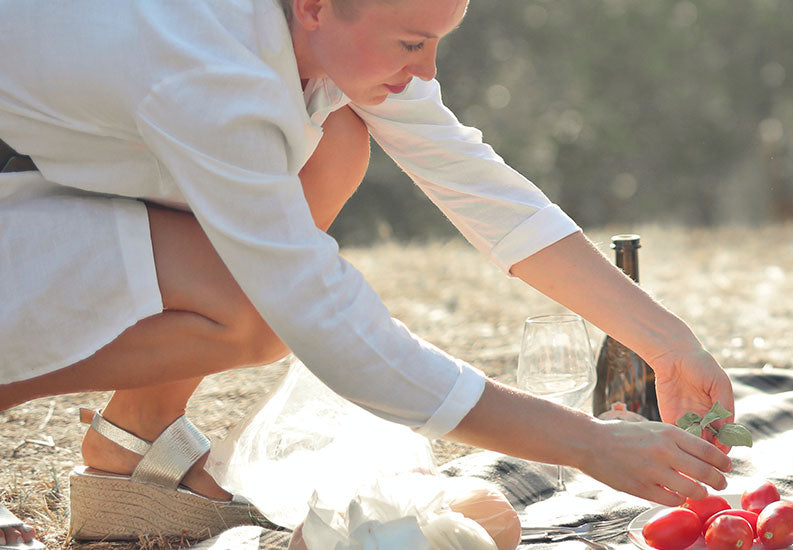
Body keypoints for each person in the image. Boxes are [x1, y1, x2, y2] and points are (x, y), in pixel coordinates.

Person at [0, 0, 734, 543]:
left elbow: (480, 188)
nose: (428, 72)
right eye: (414, 43)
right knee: (258, 312)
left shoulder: (305, 40)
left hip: (60, 163)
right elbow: (329, 325)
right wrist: (588, 442)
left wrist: (669, 344)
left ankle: (133, 439)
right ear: (316, 5)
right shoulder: (209, 73)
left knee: (339, 135)